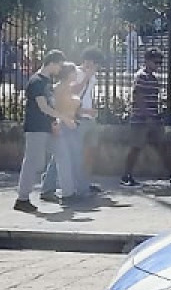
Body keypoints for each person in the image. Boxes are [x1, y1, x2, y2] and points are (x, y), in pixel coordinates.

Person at [41, 46, 104, 201]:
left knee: (71, 154)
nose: (96, 67)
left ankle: (74, 187)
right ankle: (64, 189)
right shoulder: (76, 73)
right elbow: (71, 93)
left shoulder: (91, 75)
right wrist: (85, 78)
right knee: (68, 155)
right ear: (88, 61)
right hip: (73, 118)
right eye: (95, 63)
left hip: (83, 117)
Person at [14, 50, 66, 213]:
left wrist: (54, 122)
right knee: (32, 162)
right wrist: (62, 117)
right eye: (59, 65)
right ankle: (22, 199)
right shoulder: (36, 81)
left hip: (46, 127)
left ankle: (56, 190)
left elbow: (49, 105)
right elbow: (43, 106)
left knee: (62, 153)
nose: (60, 69)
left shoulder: (46, 81)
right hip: (36, 127)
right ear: (52, 63)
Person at [122, 49, 171, 186]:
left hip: (152, 118)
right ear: (147, 61)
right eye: (156, 62)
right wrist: (148, 116)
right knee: (136, 147)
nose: (158, 66)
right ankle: (126, 175)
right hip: (141, 119)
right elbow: (138, 97)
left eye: (160, 63)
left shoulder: (152, 78)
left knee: (162, 146)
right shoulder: (141, 76)